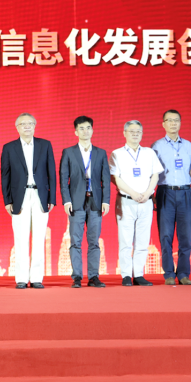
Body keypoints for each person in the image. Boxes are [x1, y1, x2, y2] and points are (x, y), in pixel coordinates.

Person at [1, 113, 56, 289]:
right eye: (23, 124)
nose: (27, 126)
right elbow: (5, 176)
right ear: (17, 127)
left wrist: (52, 198)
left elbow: (51, 173)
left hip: (40, 196)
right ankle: (22, 278)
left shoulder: (45, 145)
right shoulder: (9, 147)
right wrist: (7, 200)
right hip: (20, 197)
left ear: (35, 126)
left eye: (30, 123)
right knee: (21, 238)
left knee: (39, 238)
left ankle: (37, 278)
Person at [109, 120, 163, 287]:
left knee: (143, 240)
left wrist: (147, 193)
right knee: (125, 240)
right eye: (131, 131)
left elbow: (155, 175)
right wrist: (133, 193)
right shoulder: (117, 153)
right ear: (124, 133)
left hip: (146, 202)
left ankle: (138, 274)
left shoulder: (149, 153)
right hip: (126, 201)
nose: (135, 134)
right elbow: (115, 178)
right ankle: (126, 275)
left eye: (138, 131)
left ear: (142, 134)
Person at [59, 116, 110, 288]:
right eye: (81, 128)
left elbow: (105, 179)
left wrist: (106, 201)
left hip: (96, 202)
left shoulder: (100, 153)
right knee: (75, 241)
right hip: (76, 202)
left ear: (92, 130)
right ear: (76, 132)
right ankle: (77, 277)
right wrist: (66, 201)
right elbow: (63, 179)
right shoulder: (68, 152)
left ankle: (94, 276)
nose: (85, 131)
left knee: (94, 241)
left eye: (88, 128)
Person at [151, 110, 191, 286]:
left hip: (186, 192)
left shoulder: (188, 146)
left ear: (180, 123)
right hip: (165, 193)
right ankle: (169, 274)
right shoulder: (156, 146)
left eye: (176, 120)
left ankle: (184, 273)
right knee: (166, 235)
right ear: (163, 124)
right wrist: (152, 194)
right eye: (169, 120)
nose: (173, 123)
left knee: (185, 236)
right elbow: (151, 173)